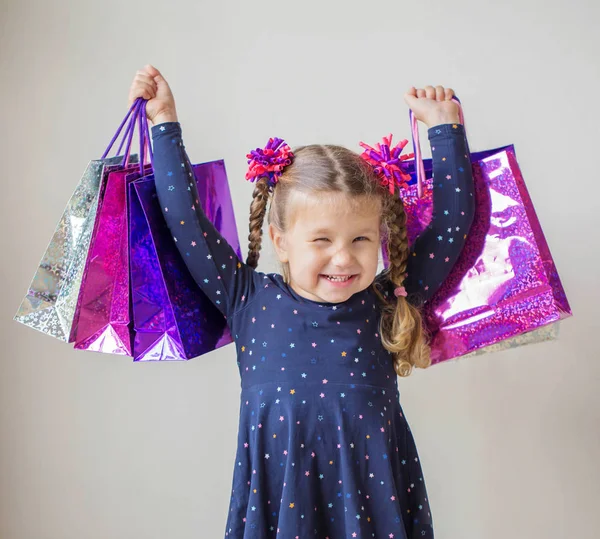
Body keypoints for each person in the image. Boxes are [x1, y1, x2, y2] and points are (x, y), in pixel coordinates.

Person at [128, 64, 475, 538]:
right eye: (322, 240)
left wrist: (445, 129)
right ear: (280, 239)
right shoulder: (246, 297)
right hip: (281, 509)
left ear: (382, 238)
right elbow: (184, 219)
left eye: (360, 239)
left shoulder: (388, 298)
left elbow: (453, 224)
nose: (343, 257)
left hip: (371, 512)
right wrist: (164, 122)